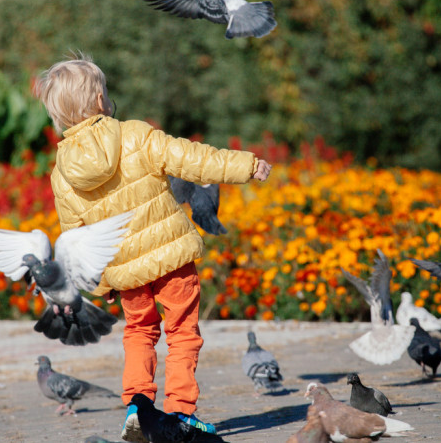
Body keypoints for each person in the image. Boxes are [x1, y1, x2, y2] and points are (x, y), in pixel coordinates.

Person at [34, 53, 271, 442]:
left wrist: (100, 281)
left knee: (139, 332)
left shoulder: (63, 172)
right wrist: (246, 166)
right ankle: (179, 414)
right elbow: (192, 160)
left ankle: (137, 408)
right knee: (182, 333)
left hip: (125, 272)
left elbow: (75, 237)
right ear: (100, 100)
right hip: (171, 258)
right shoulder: (135, 134)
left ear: (57, 117)